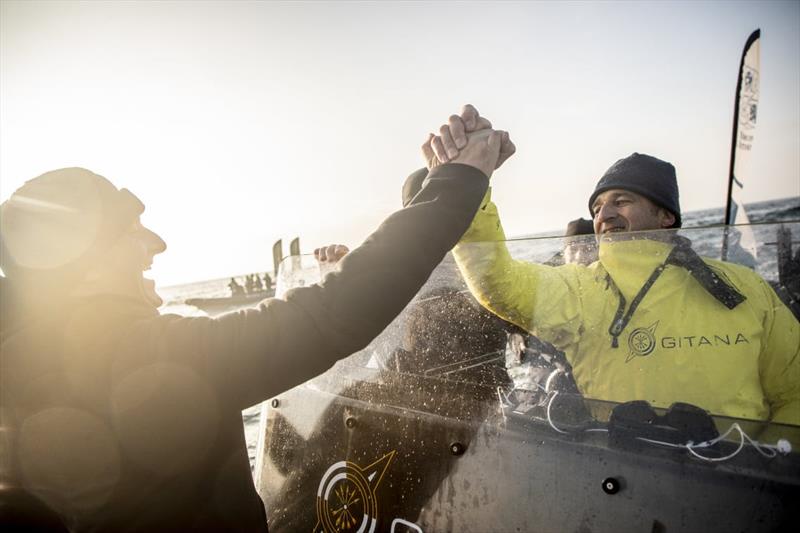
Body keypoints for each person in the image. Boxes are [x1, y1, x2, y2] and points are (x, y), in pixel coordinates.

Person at [0, 133, 499, 532]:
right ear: (82, 261)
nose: (156, 243)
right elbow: (328, 316)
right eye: (131, 230)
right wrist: (459, 180)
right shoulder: (147, 356)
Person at [412, 104, 800, 427]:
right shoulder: (582, 289)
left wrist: (757, 464)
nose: (604, 215)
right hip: (615, 482)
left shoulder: (747, 287)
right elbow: (498, 282)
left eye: (622, 201)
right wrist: (466, 185)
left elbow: (794, 393)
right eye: (597, 207)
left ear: (665, 215)